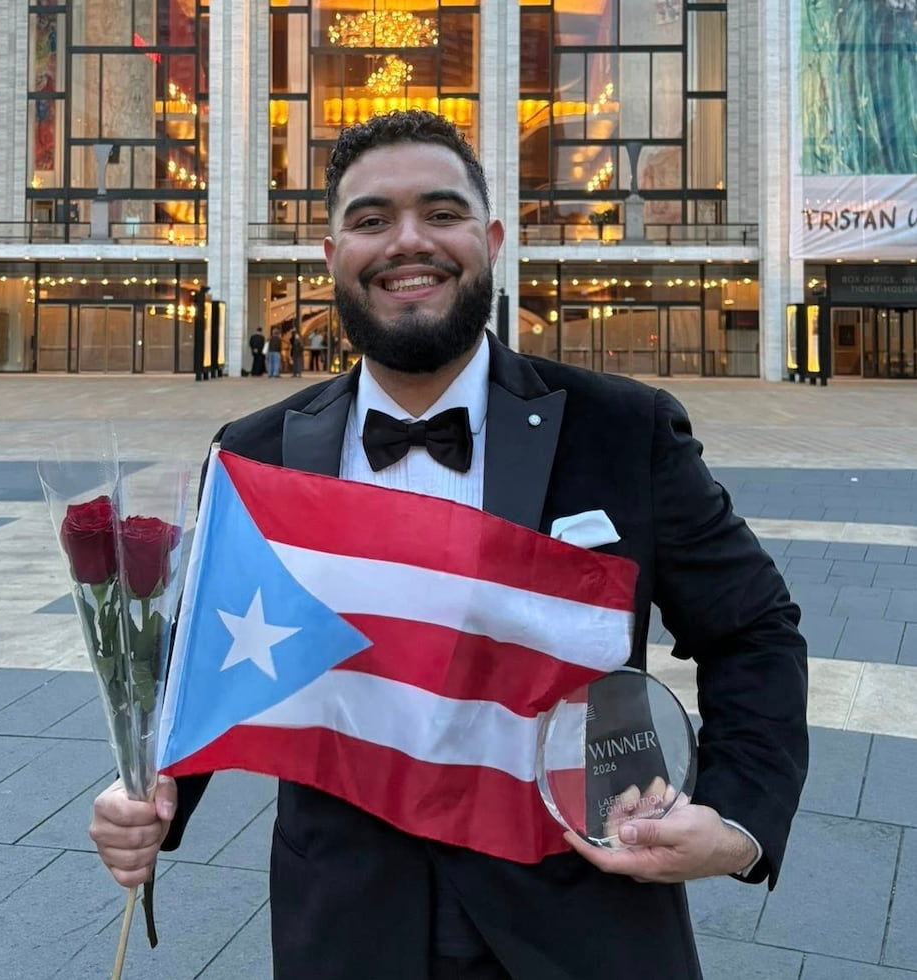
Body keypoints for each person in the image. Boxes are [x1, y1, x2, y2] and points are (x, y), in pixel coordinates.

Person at [89, 110, 808, 979]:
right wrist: (153, 791)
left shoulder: (625, 429)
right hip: (346, 928)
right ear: (329, 256)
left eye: (441, 212)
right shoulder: (255, 452)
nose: (407, 242)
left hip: (583, 912)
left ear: (491, 239)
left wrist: (735, 822)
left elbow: (754, 630)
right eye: (370, 219)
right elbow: (208, 661)